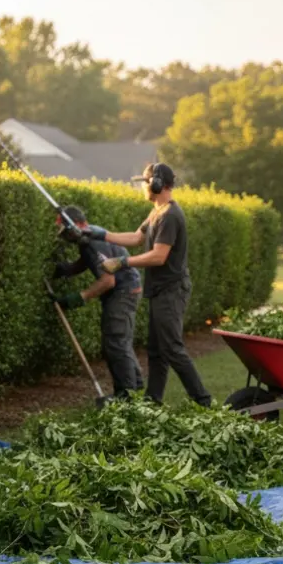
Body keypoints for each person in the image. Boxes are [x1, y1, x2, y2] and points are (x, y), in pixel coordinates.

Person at [86, 163, 213, 407]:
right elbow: (136, 238)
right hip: (160, 290)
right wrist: (101, 234)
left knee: (172, 348)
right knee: (156, 350)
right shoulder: (157, 211)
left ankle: (203, 401)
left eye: (145, 182)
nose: (143, 187)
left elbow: (158, 256)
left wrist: (122, 262)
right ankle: (153, 402)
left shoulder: (170, 216)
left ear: (157, 183)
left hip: (171, 291)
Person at [49, 206, 144, 398]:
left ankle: (125, 395)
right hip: (130, 287)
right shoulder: (90, 236)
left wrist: (77, 298)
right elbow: (88, 261)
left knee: (115, 342)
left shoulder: (92, 242)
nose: (66, 237)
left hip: (123, 291)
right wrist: (66, 270)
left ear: (77, 225)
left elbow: (109, 280)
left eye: (66, 231)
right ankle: (136, 387)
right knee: (121, 341)